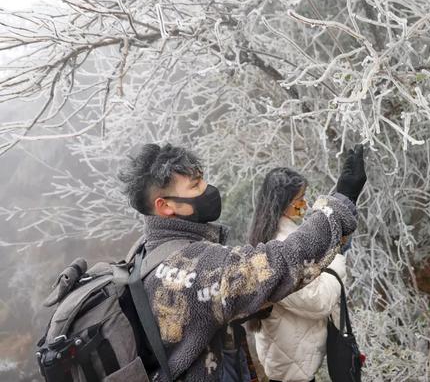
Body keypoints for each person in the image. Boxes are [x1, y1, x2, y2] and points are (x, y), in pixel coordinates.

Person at [116, 143, 367, 381]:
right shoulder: (191, 268)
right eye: (195, 185)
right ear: (165, 205)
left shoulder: (147, 252)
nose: (207, 188)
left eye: (202, 178)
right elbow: (282, 262)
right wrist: (341, 201)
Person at [246, 166, 355, 382]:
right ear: (282, 204)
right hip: (290, 367)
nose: (305, 205)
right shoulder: (280, 246)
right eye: (299, 199)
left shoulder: (276, 237)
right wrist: (337, 258)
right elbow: (318, 300)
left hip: (290, 360)